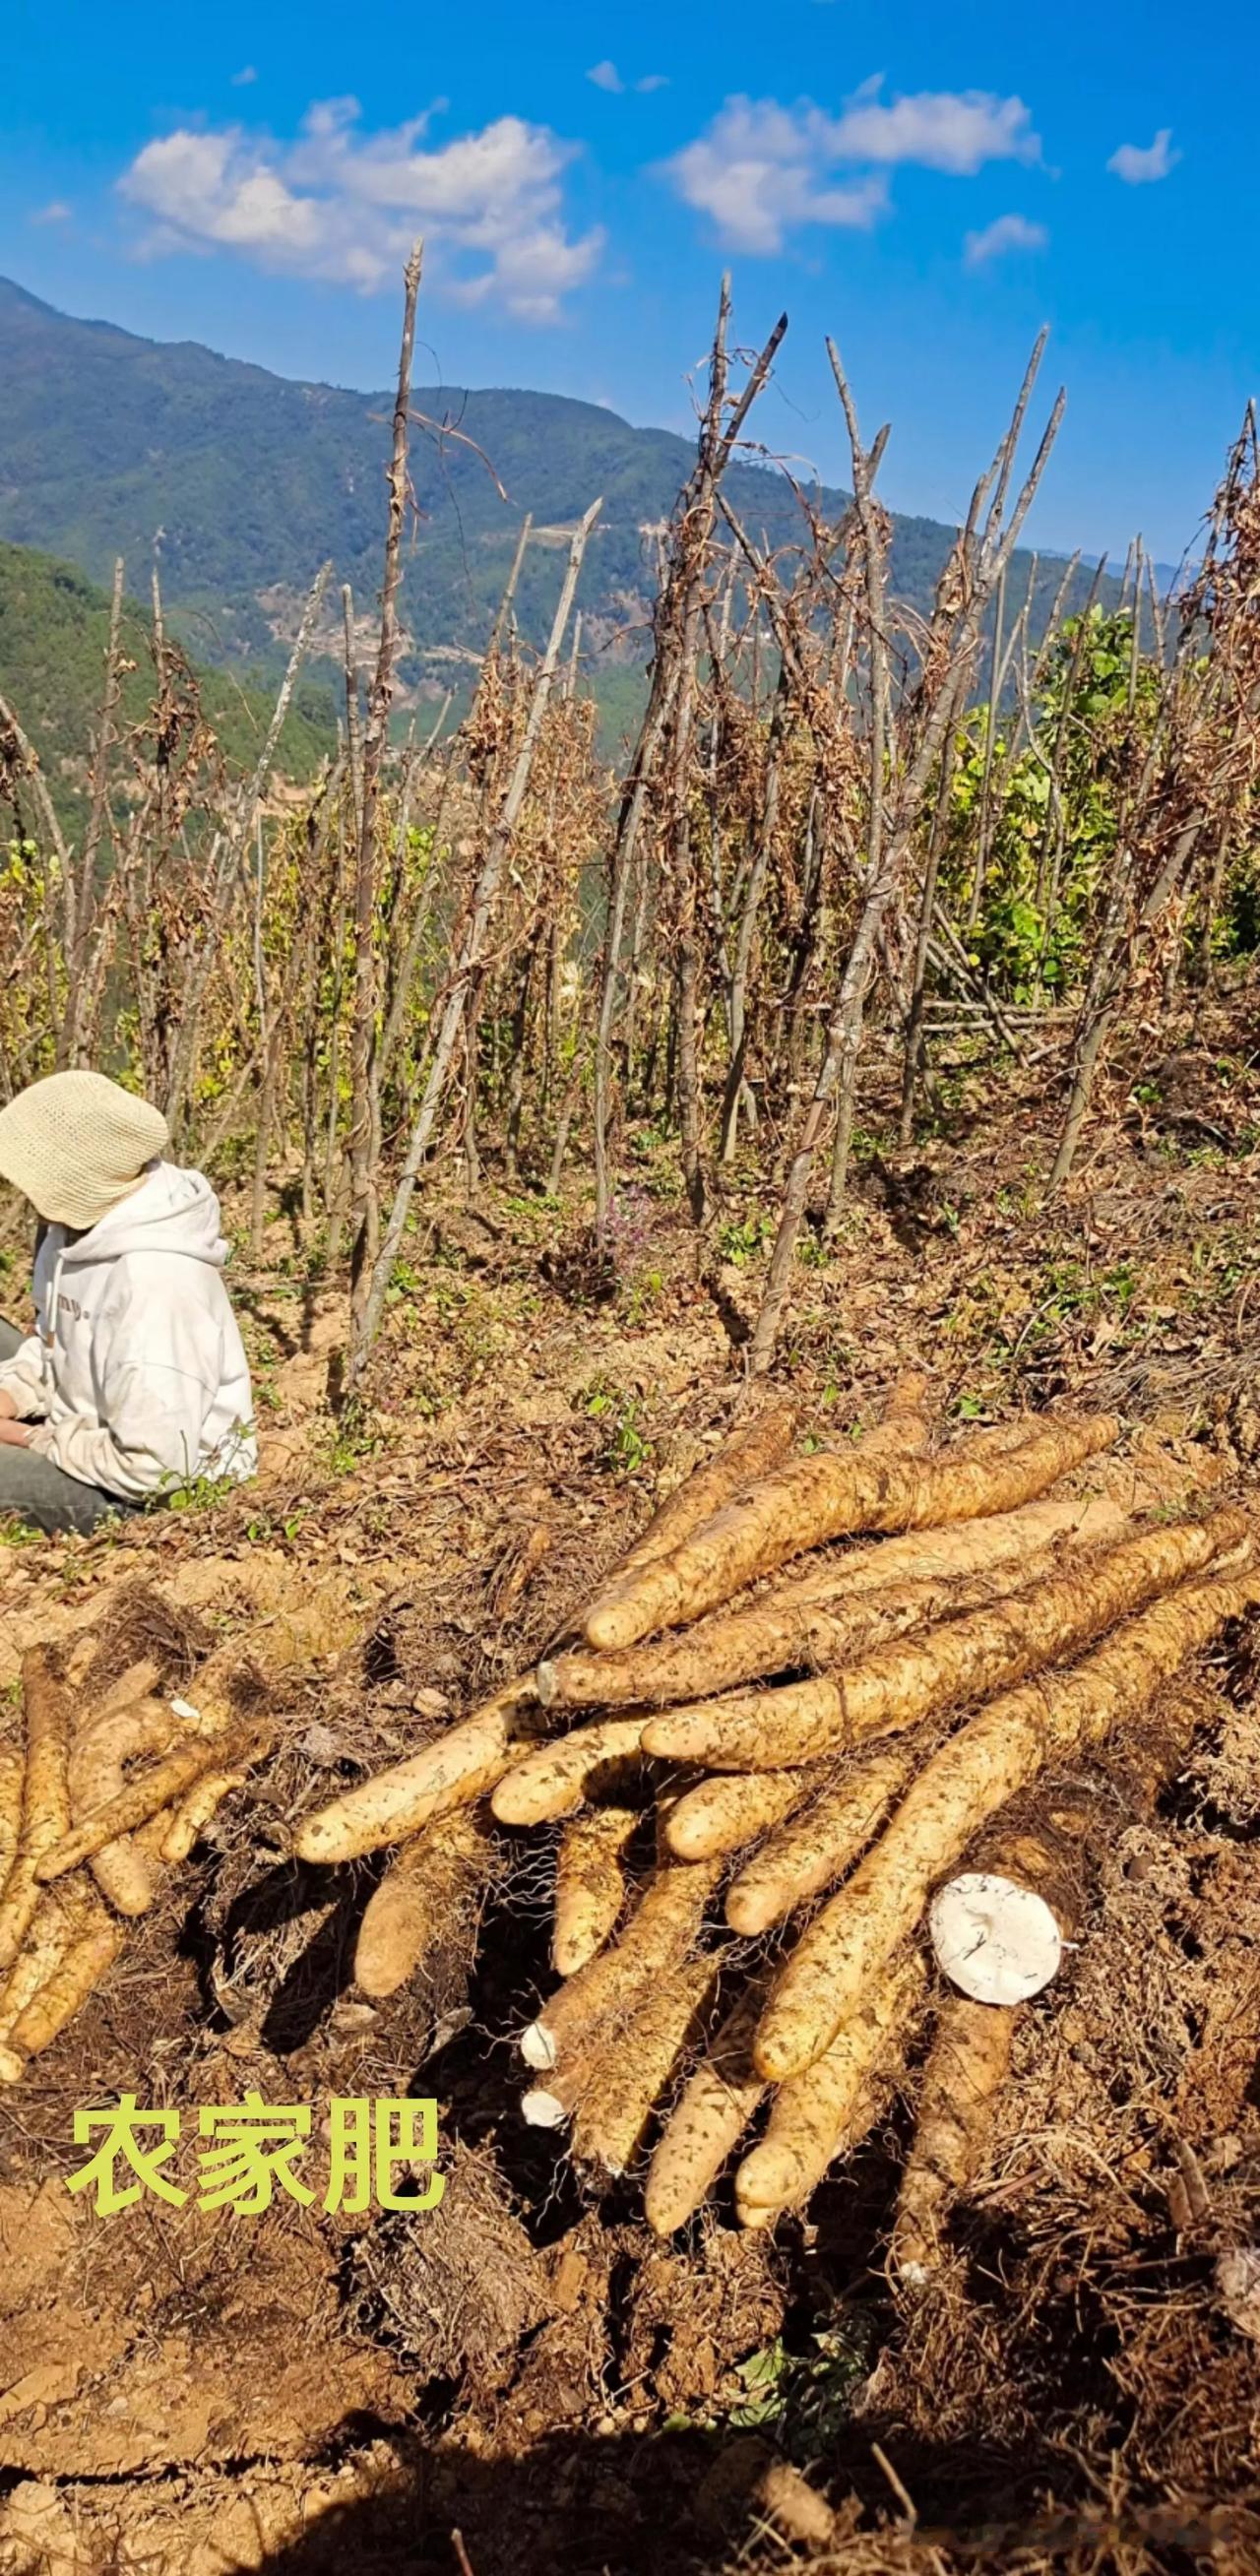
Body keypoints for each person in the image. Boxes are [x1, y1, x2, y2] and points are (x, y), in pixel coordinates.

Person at [0, 1070, 257, 1537]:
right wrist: (12, 1394)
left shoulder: (156, 1284)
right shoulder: (69, 1228)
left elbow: (156, 1469)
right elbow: (52, 1336)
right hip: (81, 1427)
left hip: (144, 1494)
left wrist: (28, 1437)